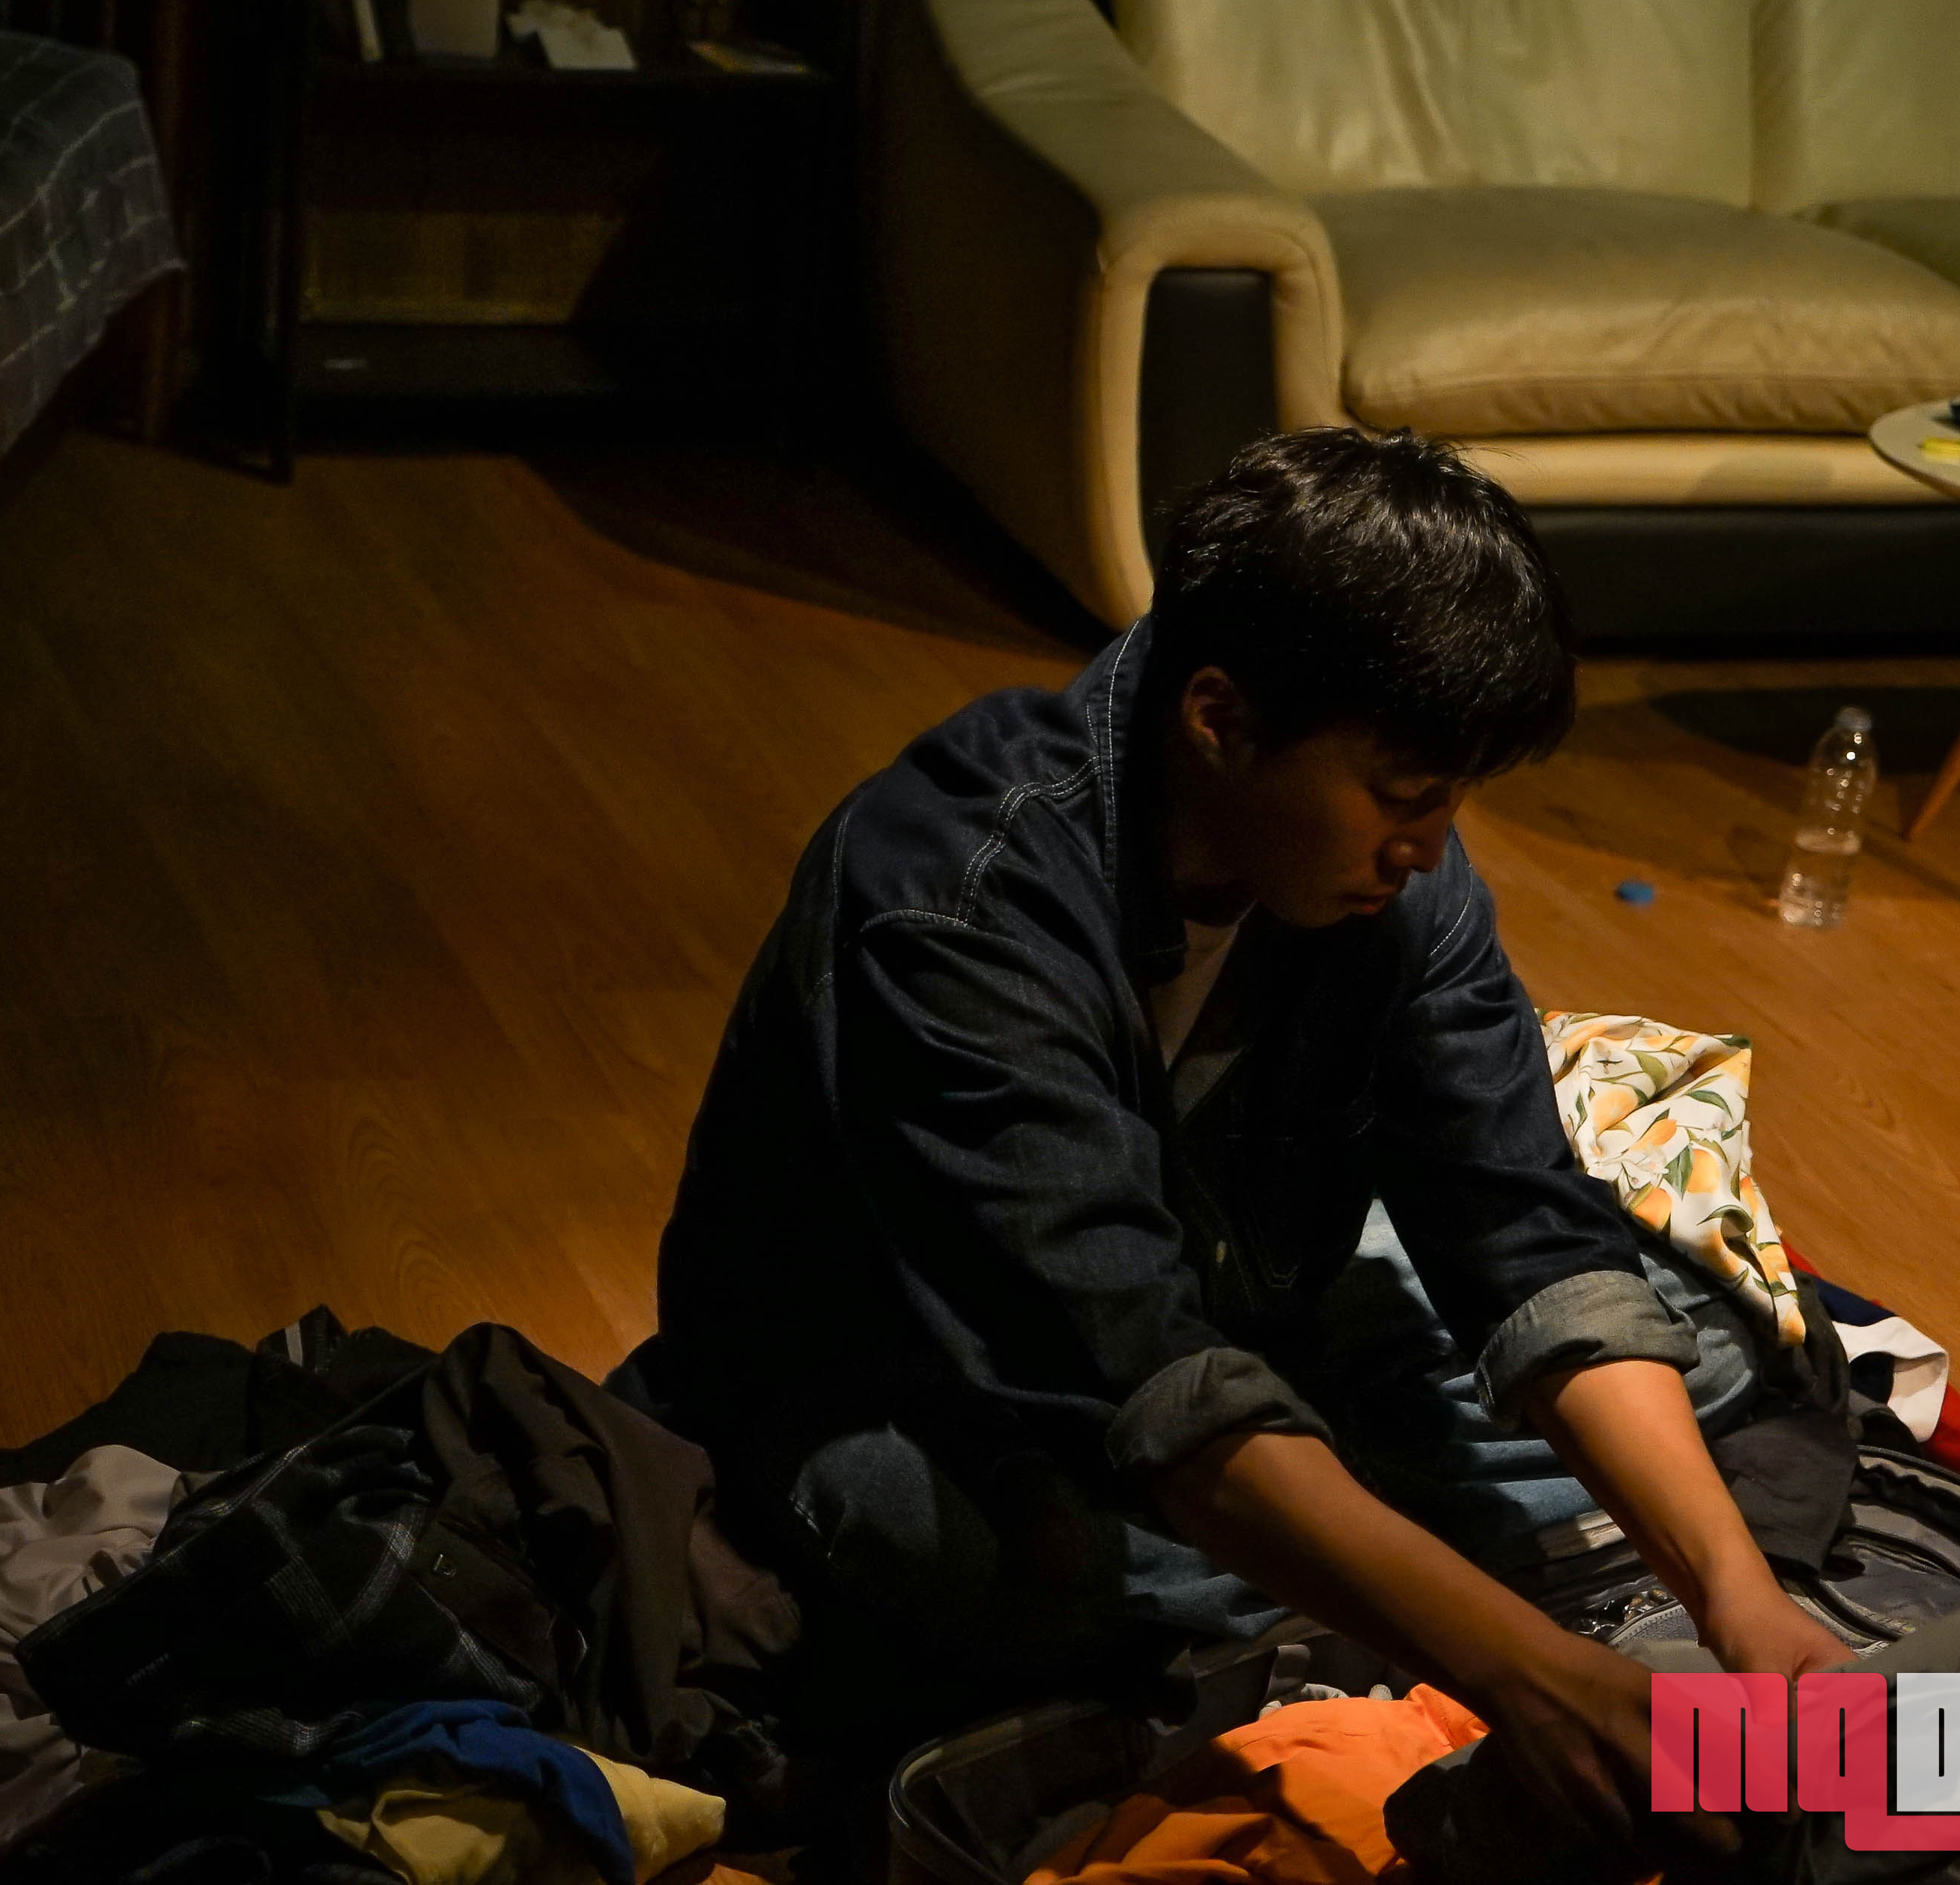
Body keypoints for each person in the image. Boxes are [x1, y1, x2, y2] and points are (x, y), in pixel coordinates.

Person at [617, 428, 1854, 1851]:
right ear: (1218, 717)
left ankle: (1348, 1547)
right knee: (1046, 1568)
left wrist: (1733, 1593)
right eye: (1403, 795)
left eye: (1451, 800)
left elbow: (1519, 1222)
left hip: (1225, 1308)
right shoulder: (954, 900)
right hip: (910, 1390)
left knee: (1695, 1345)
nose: (1429, 847)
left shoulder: (1393, 876)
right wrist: (1524, 1672)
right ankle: (1358, 1560)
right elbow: (1135, 1374)